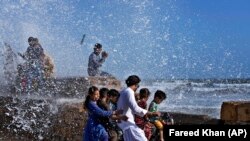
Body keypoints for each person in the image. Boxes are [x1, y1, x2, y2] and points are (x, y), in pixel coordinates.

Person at [117, 75, 161, 141]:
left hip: (124, 124)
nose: (137, 87)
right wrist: (152, 113)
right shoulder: (129, 92)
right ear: (135, 84)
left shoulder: (123, 91)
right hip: (129, 125)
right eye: (138, 85)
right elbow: (135, 109)